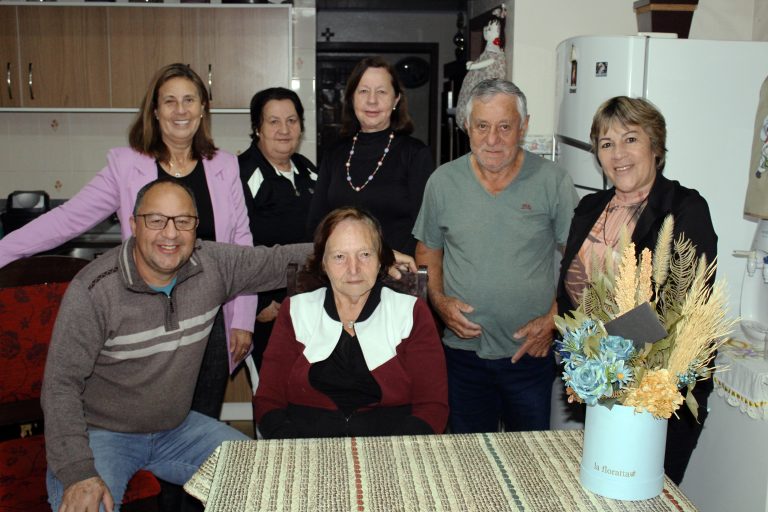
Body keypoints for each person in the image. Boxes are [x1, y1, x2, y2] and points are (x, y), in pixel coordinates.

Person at [0, 64, 255, 424]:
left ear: (202, 109)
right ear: (155, 110)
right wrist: (3, 251)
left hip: (208, 320)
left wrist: (243, 317)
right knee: (148, 424)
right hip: (146, 320)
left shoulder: (225, 166)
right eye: (170, 101)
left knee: (202, 426)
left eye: (189, 100)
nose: (180, 111)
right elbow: (68, 219)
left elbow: (241, 244)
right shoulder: (125, 165)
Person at [41, 179, 312, 512]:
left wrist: (364, 254)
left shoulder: (212, 265)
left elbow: (280, 260)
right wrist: (77, 471)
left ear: (196, 228)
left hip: (177, 430)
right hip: (101, 436)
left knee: (276, 478)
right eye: (156, 220)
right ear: (133, 225)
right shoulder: (94, 290)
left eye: (183, 221)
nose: (170, 234)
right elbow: (59, 387)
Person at [555, 96, 717, 485]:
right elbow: (569, 291)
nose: (618, 154)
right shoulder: (590, 206)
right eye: (606, 143)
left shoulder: (685, 209)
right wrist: (585, 364)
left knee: (648, 493)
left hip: (658, 392)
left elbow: (679, 310)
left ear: (656, 147)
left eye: (631, 139)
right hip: (597, 386)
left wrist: (600, 354)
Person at [413, 78, 579, 434]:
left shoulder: (553, 181)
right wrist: (439, 302)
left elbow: (580, 262)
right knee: (468, 462)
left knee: (530, 461)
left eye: (504, 126)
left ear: (524, 126)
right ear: (468, 128)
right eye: (482, 126)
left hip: (530, 352)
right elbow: (428, 251)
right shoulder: (442, 182)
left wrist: (554, 318)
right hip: (462, 353)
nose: (492, 139)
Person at [254, 207, 448, 438]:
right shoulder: (295, 311)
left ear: (381, 260)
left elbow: (432, 406)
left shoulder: (410, 312)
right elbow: (268, 401)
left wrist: (399, 453)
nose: (353, 269)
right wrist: (295, 450)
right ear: (323, 263)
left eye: (364, 254)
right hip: (305, 444)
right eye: (339, 257)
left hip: (391, 446)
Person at [307, 57, 435, 256]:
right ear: (351, 98)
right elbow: (316, 224)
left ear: (396, 100)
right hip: (342, 275)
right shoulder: (334, 154)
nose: (372, 100)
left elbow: (427, 231)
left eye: (381, 92)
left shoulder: (416, 154)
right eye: (364, 91)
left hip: (398, 274)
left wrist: (388, 262)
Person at [239, 87, 317, 369]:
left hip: (309, 306)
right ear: (257, 128)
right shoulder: (242, 174)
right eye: (273, 121)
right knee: (272, 395)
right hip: (269, 311)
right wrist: (257, 304)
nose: (284, 129)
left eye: (292, 121)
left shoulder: (307, 170)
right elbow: (234, 246)